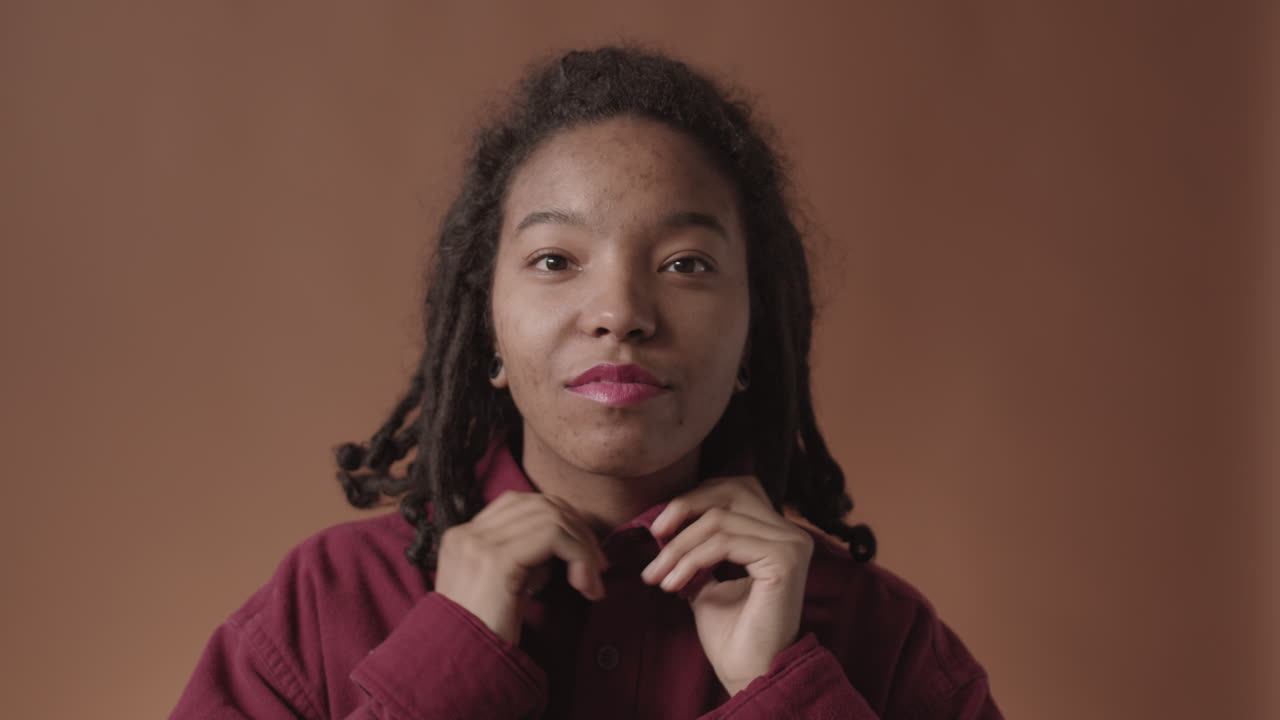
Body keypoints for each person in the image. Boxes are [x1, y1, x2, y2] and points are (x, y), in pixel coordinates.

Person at [171, 46, 1002, 719]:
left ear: (753, 331)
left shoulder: (884, 640)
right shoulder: (323, 605)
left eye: (685, 263)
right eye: (554, 261)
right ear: (489, 325)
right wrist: (448, 664)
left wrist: (781, 691)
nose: (620, 313)